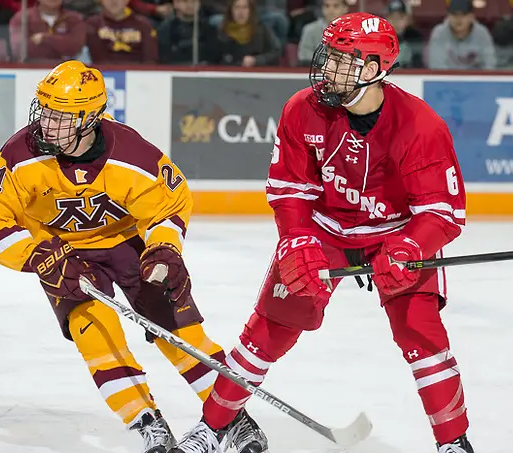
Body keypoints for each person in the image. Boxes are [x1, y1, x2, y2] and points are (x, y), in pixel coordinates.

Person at [170, 11, 473, 453]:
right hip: (324, 232)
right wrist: (296, 239)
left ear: (372, 70)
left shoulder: (421, 126)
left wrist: (410, 246)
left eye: (339, 59)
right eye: (328, 55)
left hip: (395, 234)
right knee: (268, 331)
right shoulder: (303, 109)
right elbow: (291, 192)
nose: (326, 67)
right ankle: (213, 428)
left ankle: (454, 443)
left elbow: (442, 212)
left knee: (421, 332)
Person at [0, 61, 227, 453]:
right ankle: (147, 421)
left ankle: (230, 417)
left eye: (58, 116)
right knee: (96, 334)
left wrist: (164, 248)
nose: (44, 123)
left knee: (177, 327)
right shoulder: (17, 157)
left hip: (125, 244)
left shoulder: (132, 154)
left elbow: (171, 206)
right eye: (44, 110)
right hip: (61, 254)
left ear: (89, 118)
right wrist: (40, 256)